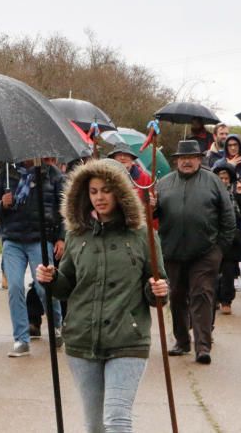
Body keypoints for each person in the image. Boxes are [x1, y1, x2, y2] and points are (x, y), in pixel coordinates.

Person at [36, 159, 168, 433]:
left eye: (106, 190)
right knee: (95, 426)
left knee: (117, 420)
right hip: (81, 339)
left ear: (121, 192)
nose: (99, 197)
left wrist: (157, 290)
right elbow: (66, 286)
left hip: (128, 339)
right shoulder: (77, 235)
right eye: (94, 191)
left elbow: (157, 285)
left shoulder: (143, 235)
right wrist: (50, 279)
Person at [154, 140, 235, 364]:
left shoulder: (213, 181)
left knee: (202, 295)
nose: (186, 161)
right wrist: (150, 205)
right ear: (176, 160)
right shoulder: (164, 183)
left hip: (206, 252)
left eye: (191, 157)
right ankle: (181, 341)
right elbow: (152, 214)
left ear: (200, 159)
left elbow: (228, 217)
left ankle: (202, 346)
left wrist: (220, 249)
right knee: (177, 297)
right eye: (182, 158)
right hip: (172, 252)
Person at [0, 160, 65, 357]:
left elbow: (64, 209)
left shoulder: (53, 174)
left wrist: (61, 237)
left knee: (44, 286)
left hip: (40, 239)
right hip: (12, 239)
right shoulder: (7, 172)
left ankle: (56, 325)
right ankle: (21, 340)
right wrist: (2, 204)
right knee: (15, 287)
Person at [210, 161, 241, 315]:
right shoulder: (210, 195)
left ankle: (226, 300)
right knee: (212, 271)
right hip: (212, 239)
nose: (223, 181)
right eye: (220, 177)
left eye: (226, 178)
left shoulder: (234, 196)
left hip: (230, 241)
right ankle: (213, 299)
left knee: (228, 272)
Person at [220, 134, 241, 295]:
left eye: (235, 145)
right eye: (229, 145)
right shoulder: (220, 163)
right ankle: (233, 276)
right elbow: (216, 184)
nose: (233, 148)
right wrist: (230, 167)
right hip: (226, 212)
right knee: (229, 247)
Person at [106, 143, 152, 209]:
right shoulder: (105, 177)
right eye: (119, 155)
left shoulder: (144, 178)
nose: (122, 157)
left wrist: (153, 204)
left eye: (126, 155)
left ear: (132, 159)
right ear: (113, 159)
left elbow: (151, 206)